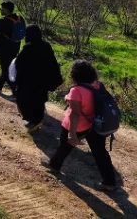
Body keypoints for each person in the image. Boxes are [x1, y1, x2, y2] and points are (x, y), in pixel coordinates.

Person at [41, 60, 117, 191]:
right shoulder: (97, 85)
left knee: (64, 146)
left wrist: (72, 133)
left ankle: (54, 165)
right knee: (100, 153)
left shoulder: (76, 90)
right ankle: (109, 181)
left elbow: (74, 113)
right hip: (96, 125)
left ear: (75, 75)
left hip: (79, 125)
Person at [14, 24, 63, 133]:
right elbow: (53, 63)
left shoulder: (28, 47)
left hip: (29, 81)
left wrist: (17, 77)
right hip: (43, 81)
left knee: (24, 100)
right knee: (39, 101)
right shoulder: (46, 45)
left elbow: (19, 63)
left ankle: (33, 121)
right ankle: (36, 120)